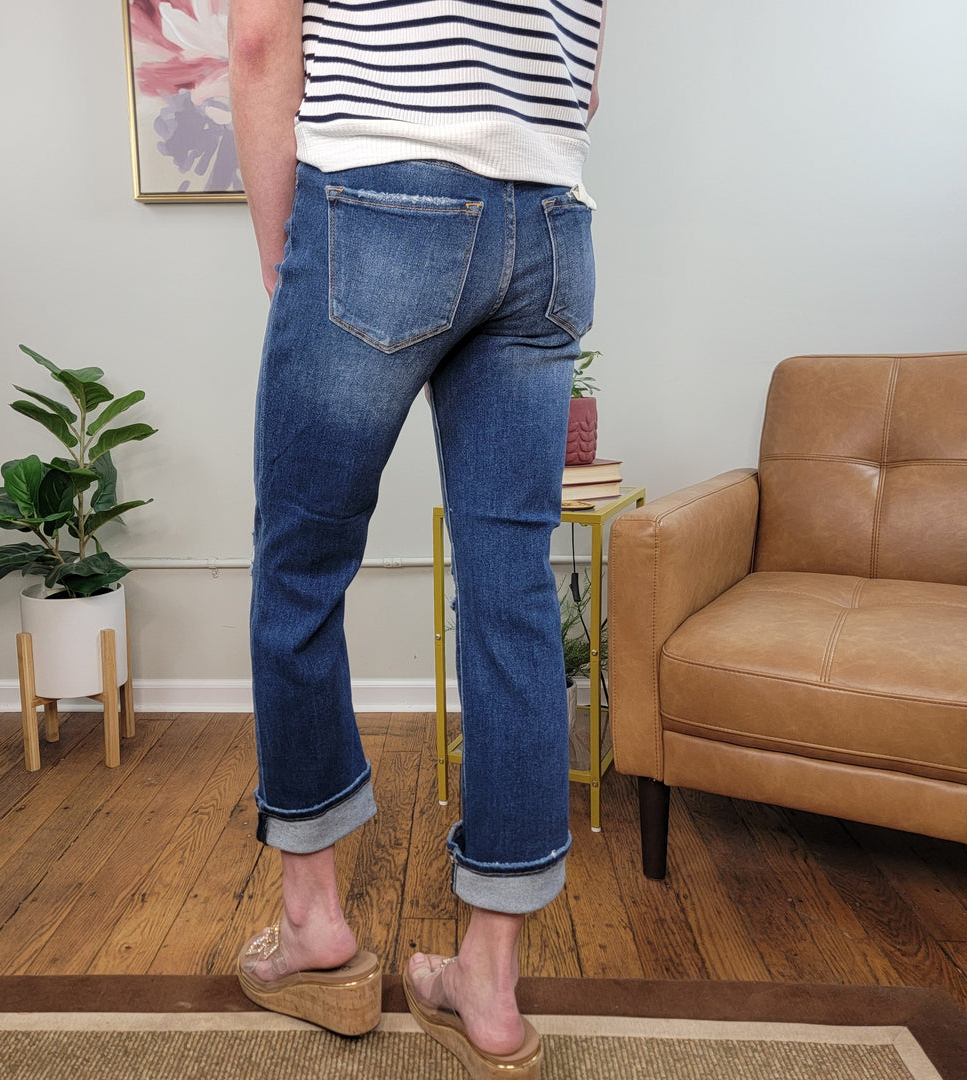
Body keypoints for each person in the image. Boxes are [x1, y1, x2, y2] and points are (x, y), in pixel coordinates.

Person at [228, 2, 605, 1076]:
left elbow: (258, 40)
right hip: (549, 223)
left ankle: (316, 932)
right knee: (514, 594)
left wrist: (283, 260)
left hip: (379, 197)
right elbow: (584, 81)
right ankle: (488, 987)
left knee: (300, 570)